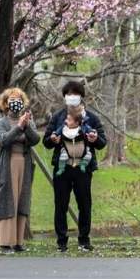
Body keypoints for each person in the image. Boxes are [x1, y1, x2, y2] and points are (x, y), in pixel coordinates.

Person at [42, 80, 107, 252]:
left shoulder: (91, 118)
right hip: (62, 167)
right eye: (68, 94)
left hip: (83, 168)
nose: (71, 97)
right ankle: (61, 241)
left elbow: (102, 142)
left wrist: (94, 139)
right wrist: (53, 140)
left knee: (85, 204)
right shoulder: (58, 117)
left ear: (81, 97)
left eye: (75, 94)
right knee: (60, 204)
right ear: (64, 97)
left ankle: (84, 240)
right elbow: (46, 141)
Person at [0, 88, 40, 254]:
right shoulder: (1, 123)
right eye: (12, 99)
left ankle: (18, 242)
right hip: (8, 164)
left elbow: (35, 140)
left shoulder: (28, 120)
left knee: (21, 200)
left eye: (19, 99)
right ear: (6, 103)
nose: (16, 102)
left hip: (25, 164)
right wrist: (18, 127)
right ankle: (5, 243)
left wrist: (26, 125)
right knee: (8, 200)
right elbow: (2, 141)